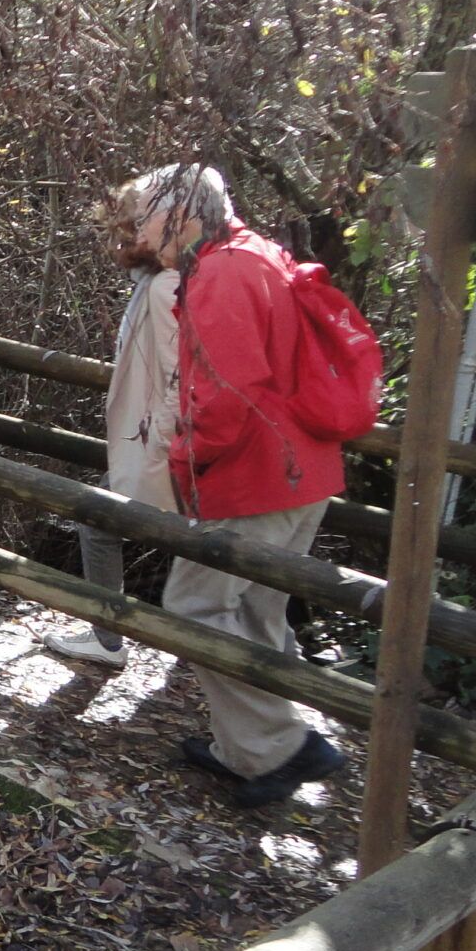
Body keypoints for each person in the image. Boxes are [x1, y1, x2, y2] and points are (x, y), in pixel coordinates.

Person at [134, 162, 346, 807]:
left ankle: (283, 746)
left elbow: (226, 394)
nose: (142, 233)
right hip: (301, 467)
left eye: (147, 217)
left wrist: (184, 457)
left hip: (258, 476)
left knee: (194, 609)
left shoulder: (221, 271)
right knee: (256, 609)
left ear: (183, 218)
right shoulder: (258, 253)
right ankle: (251, 749)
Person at [46, 182, 181, 664]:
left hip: (162, 445)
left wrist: (160, 444)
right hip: (154, 441)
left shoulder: (167, 287)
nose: (120, 244)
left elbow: (177, 375)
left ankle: (110, 640)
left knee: (100, 521)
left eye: (129, 232)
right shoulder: (160, 281)